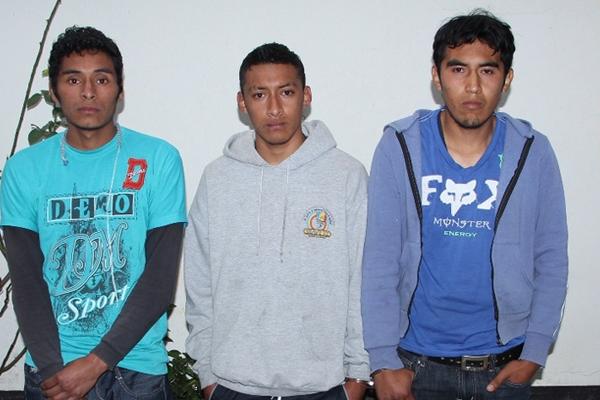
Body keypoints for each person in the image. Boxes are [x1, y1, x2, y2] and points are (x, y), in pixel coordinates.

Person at [361, 10, 568, 400]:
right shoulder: (400, 146)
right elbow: (380, 260)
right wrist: (383, 361)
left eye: (487, 71)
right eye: (458, 69)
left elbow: (552, 257)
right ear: (437, 76)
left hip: (505, 367)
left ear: (506, 79)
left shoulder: (533, 151)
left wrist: (535, 352)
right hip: (415, 367)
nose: (473, 86)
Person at [0, 26, 186, 399]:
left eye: (101, 79)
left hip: (136, 372)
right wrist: (55, 372)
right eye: (74, 80)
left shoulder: (158, 159)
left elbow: (160, 278)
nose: (88, 92)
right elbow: (27, 281)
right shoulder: (24, 169)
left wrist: (97, 362)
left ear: (119, 89)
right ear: (54, 91)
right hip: (52, 372)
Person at [185, 42, 371, 400]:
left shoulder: (347, 175)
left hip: (327, 388)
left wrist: (358, 376)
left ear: (306, 96)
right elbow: (199, 281)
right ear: (242, 102)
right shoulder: (217, 178)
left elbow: (362, 279)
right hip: (231, 386)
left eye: (286, 92)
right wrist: (207, 374)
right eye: (259, 94)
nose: (274, 108)